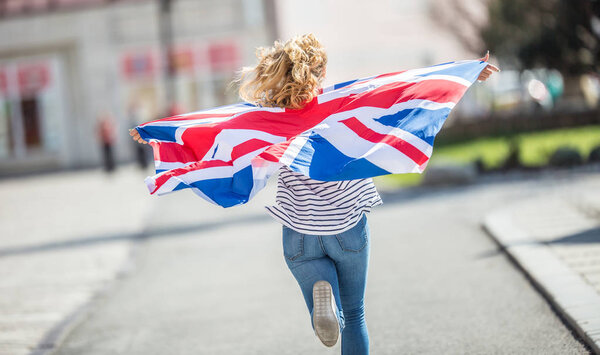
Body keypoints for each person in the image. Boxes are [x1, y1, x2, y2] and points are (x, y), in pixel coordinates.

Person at [130, 34, 499, 354]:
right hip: (347, 228)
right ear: (319, 73)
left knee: (326, 301)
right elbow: (405, 86)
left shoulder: (268, 117)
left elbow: (216, 125)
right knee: (355, 315)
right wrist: (466, 72)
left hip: (300, 236)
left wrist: (155, 131)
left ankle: (321, 296)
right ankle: (335, 309)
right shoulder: (344, 102)